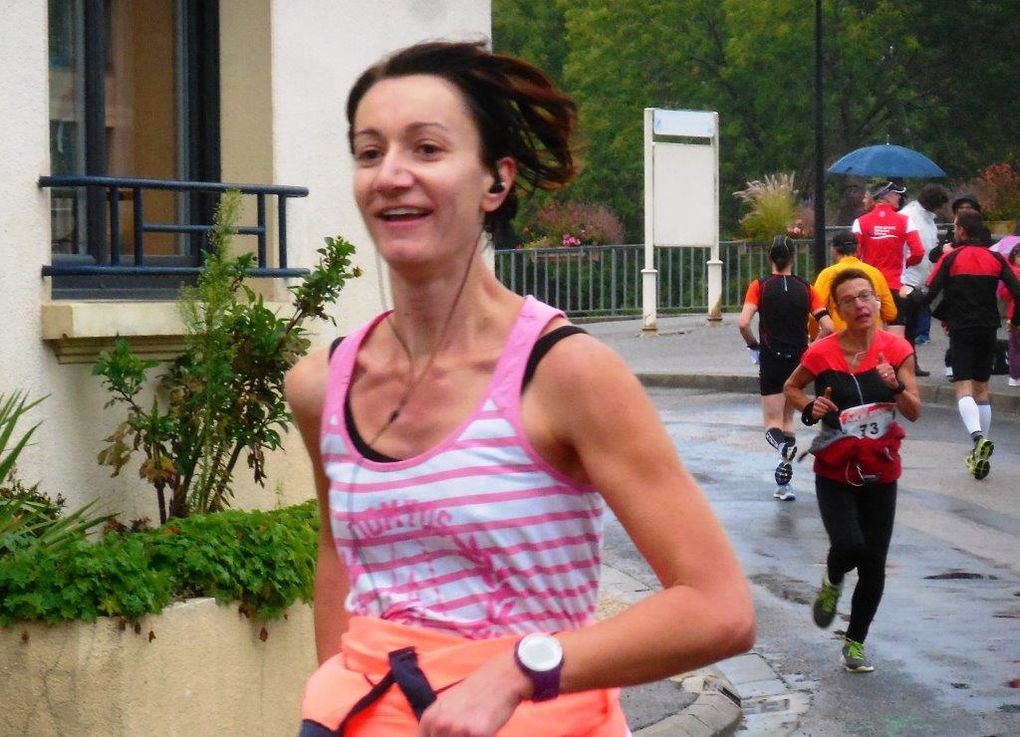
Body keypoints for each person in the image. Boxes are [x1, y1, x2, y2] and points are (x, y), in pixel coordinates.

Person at [285, 40, 754, 737]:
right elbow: (340, 558)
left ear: (496, 182)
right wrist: (332, 694)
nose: (390, 174)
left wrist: (518, 669)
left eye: (426, 148)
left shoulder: (566, 373)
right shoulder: (322, 383)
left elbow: (719, 607)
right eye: (369, 151)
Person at [784, 268, 921, 673]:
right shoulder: (822, 352)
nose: (861, 305)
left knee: (874, 561)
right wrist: (812, 407)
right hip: (836, 467)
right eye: (850, 300)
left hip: (881, 467)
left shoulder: (897, 349)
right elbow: (792, 388)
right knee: (849, 545)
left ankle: (856, 642)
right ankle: (832, 579)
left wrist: (895, 385)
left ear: (878, 300)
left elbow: (913, 411)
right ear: (837, 310)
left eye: (867, 296)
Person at [924, 209, 1020, 479]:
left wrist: (911, 301)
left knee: (963, 388)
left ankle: (977, 438)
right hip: (989, 328)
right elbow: (1017, 290)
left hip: (961, 329)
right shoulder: (995, 258)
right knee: (982, 389)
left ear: (963, 231)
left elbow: (930, 292)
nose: (954, 231)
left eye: (955, 227)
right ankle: (980, 449)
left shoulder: (952, 257)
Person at [739, 236, 834, 501]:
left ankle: (781, 447)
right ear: (793, 258)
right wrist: (811, 349)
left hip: (770, 357)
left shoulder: (759, 286)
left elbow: (743, 322)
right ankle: (784, 484)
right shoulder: (807, 288)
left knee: (771, 423)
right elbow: (828, 327)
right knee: (787, 420)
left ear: (770, 258)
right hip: (798, 360)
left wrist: (754, 346)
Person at [852, 180, 924, 338]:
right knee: (896, 339)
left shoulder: (860, 222)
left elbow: (854, 256)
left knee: (870, 336)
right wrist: (905, 264)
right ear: (887, 196)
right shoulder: (905, 221)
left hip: (870, 287)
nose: (899, 198)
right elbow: (919, 252)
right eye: (897, 195)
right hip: (896, 286)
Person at [899, 184, 950, 376]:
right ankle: (908, 363)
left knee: (911, 325)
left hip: (919, 278)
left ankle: (911, 363)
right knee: (907, 325)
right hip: (909, 278)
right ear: (933, 204)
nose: (941, 210)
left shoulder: (926, 219)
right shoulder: (910, 217)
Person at [813, 231, 897, 332]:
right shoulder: (875, 273)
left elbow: (815, 311)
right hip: (872, 338)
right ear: (858, 249)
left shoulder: (828, 274)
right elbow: (890, 313)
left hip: (841, 337)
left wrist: (815, 335)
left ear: (834, 250)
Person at [999, 243, 1020, 387]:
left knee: (1014, 346)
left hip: (1013, 315)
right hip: (1014, 314)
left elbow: (1003, 293)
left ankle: (1014, 376)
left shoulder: (1010, 273)